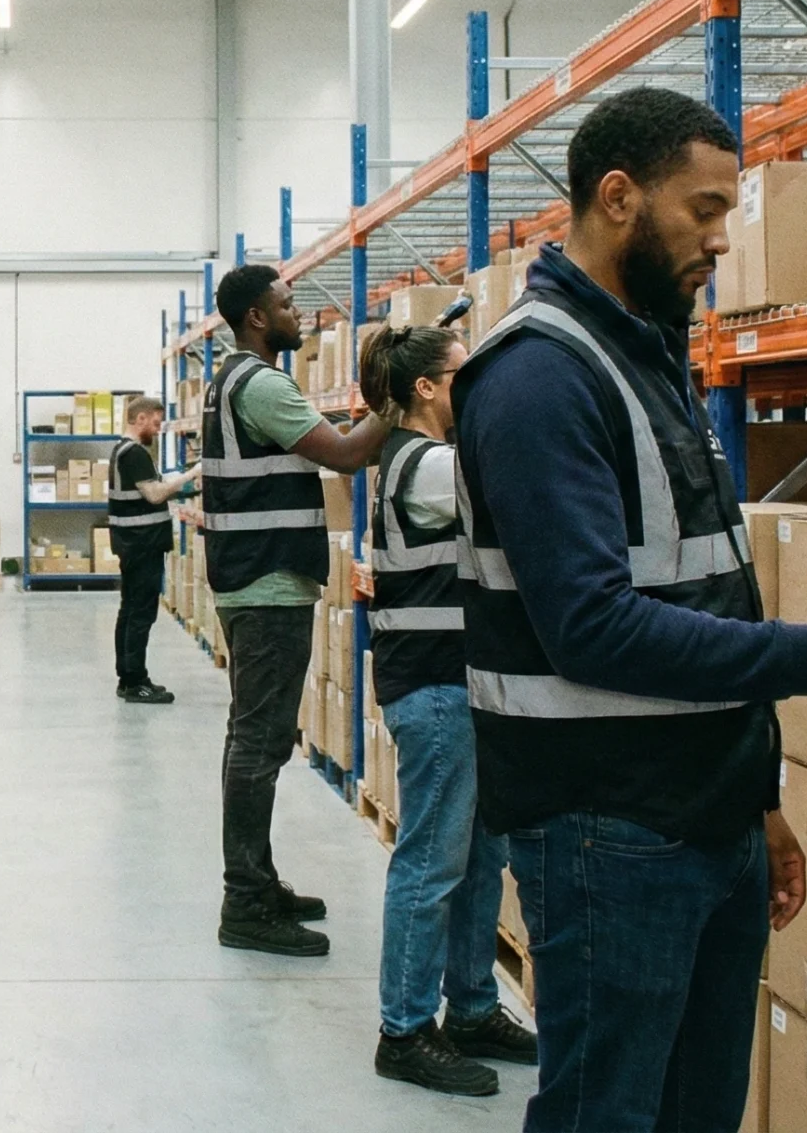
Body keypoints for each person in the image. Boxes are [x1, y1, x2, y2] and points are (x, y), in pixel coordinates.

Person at [451, 87, 807, 1132]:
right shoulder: (539, 378)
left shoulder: (650, 356)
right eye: (702, 209)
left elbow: (702, 588)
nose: (720, 239)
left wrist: (754, 794)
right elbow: (591, 627)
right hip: (607, 828)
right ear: (617, 200)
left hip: (701, 813)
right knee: (607, 1113)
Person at [355, 324, 536, 1099]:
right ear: (427, 387)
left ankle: (469, 1006)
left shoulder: (422, 457)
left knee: (479, 857)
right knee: (432, 862)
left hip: (466, 685)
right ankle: (404, 1028)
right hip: (434, 688)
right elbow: (517, 495)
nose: (478, 386)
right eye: (466, 373)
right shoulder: (427, 463)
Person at [202, 264, 393, 957]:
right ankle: (245, 900)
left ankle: (256, 879)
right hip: (268, 582)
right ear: (257, 317)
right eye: (287, 303)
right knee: (257, 740)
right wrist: (398, 401)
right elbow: (344, 456)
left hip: (254, 581)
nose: (300, 311)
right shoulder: (262, 384)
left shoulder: (234, 380)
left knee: (257, 736)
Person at [106, 395, 196, 703]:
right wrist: (191, 475)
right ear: (140, 419)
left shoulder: (125, 451)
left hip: (134, 542)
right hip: (141, 543)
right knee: (140, 613)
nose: (157, 430)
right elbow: (155, 494)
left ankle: (130, 677)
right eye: (155, 424)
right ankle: (134, 682)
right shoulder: (134, 453)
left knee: (130, 609)